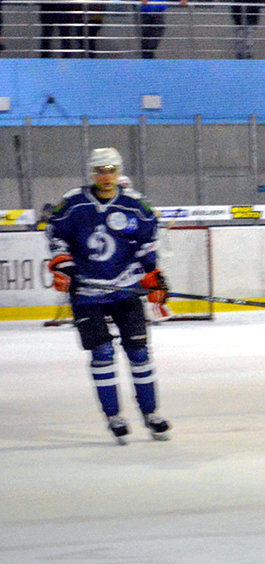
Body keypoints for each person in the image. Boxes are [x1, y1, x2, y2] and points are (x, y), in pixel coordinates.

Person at [45, 148, 171, 445]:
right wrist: (64, 265)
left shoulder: (135, 205)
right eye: (100, 170)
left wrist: (153, 276)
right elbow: (55, 233)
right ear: (92, 172)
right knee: (102, 354)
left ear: (119, 171)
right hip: (87, 292)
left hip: (125, 288)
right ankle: (114, 416)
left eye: (111, 169)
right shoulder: (73, 203)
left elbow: (147, 245)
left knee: (139, 353)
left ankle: (151, 414)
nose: (106, 175)